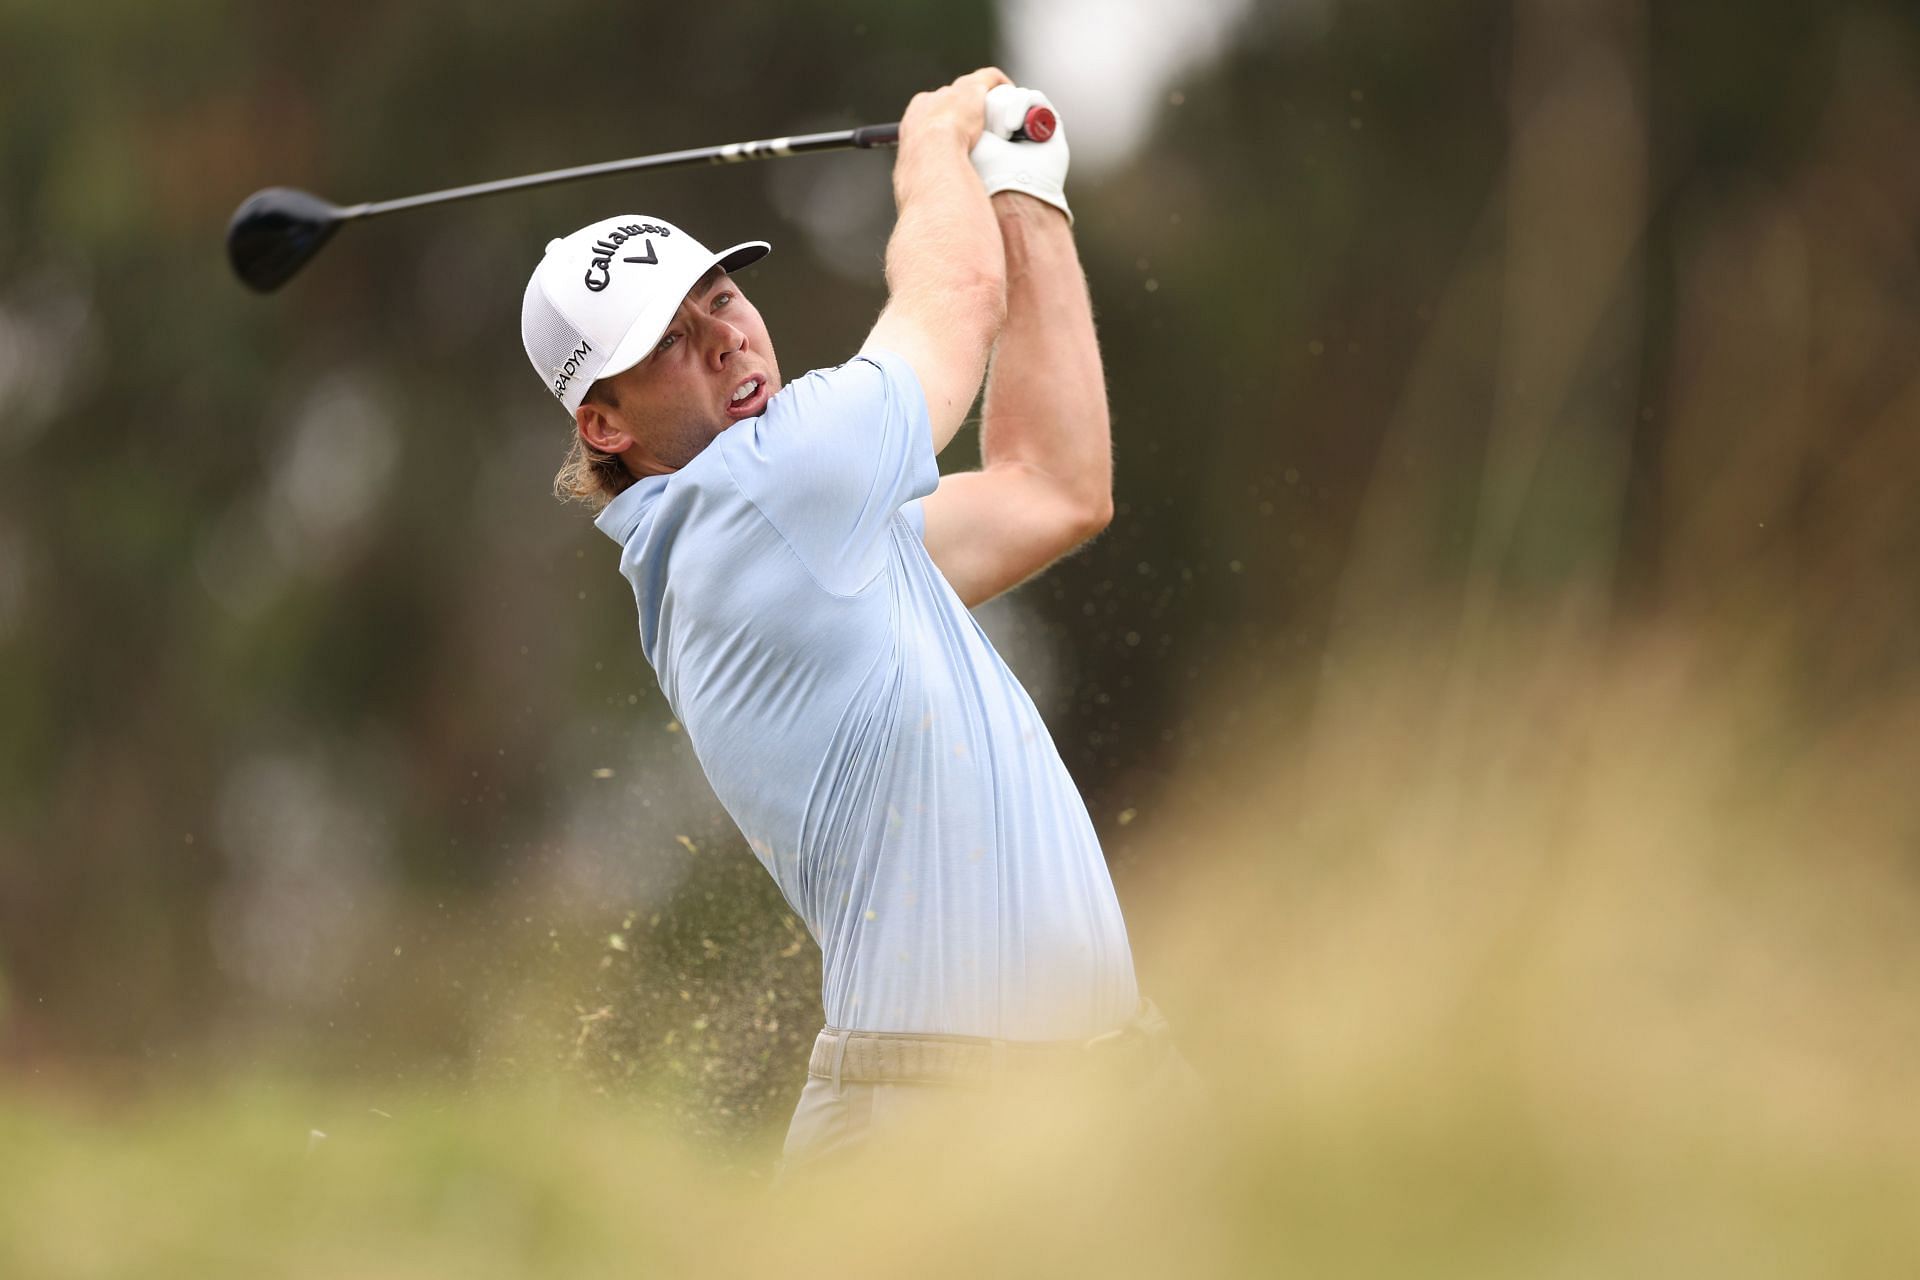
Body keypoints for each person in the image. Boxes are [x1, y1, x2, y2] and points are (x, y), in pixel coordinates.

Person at [520, 68, 1174, 1172]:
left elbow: (1053, 484)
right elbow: (954, 299)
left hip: (1098, 1076)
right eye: (670, 340)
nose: (724, 337)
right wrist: (938, 143)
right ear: (605, 420)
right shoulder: (760, 499)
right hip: (938, 1109)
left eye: (720, 298)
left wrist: (1025, 193)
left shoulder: (810, 532)